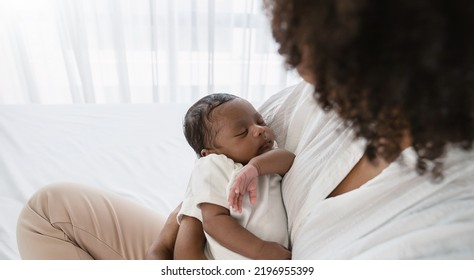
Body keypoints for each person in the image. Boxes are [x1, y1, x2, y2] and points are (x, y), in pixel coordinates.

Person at [17, 0, 474, 259]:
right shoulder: (319, 100)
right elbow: (222, 165)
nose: (295, 65)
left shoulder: (440, 237)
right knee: (50, 209)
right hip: (205, 254)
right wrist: (189, 217)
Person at [175, 93, 293, 260]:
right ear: (210, 153)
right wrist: (260, 250)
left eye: (260, 122)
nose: (259, 130)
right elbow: (214, 221)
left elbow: (289, 159)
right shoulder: (214, 165)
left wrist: (255, 168)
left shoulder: (266, 160)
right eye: (242, 132)